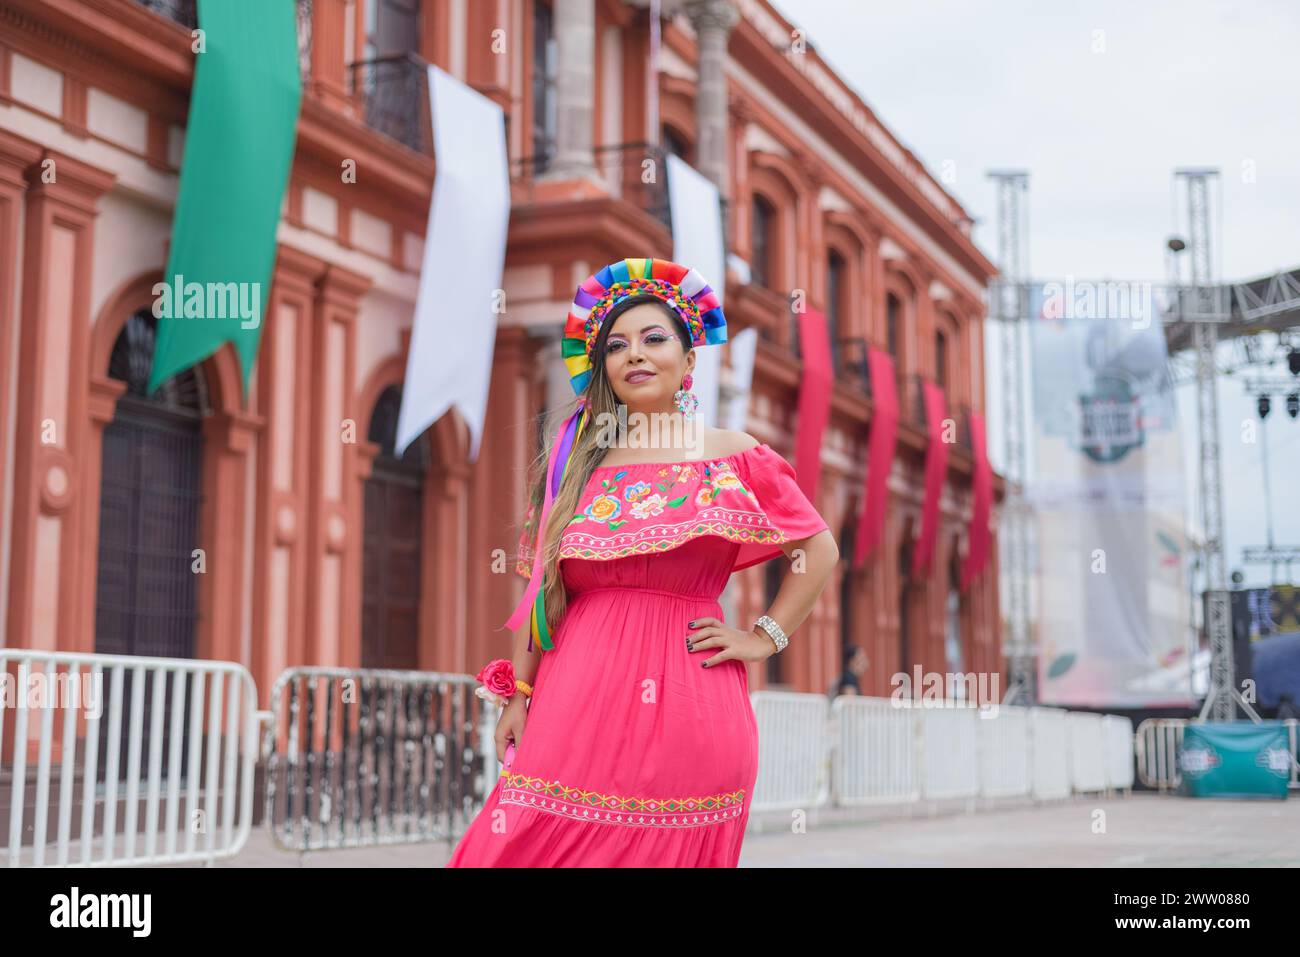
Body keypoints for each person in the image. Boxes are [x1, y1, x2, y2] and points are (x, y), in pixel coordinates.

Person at [446, 257, 838, 867]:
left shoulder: (732, 454)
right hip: (573, 698)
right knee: (512, 845)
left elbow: (818, 548)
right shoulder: (573, 469)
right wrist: (520, 693)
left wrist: (765, 637)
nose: (635, 354)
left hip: (692, 700)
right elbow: (541, 591)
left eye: (655, 339)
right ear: (602, 366)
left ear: (688, 361)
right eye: (617, 346)